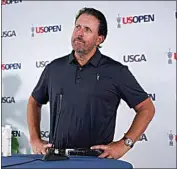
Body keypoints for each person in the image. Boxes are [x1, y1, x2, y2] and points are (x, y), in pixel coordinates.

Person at [27, 7, 155, 159]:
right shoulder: (54, 68)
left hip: (96, 160)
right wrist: (35, 139)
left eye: (87, 30)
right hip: (57, 159)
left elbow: (146, 108)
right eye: (78, 27)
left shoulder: (116, 71)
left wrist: (124, 144)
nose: (79, 34)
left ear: (99, 39)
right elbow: (34, 102)